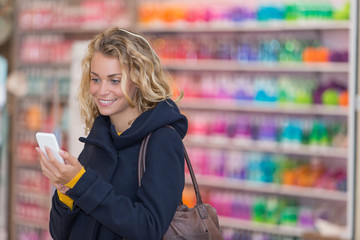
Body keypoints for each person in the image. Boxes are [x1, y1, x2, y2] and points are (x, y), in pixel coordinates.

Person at [36, 27, 188, 240]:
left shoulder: (162, 140)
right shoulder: (100, 137)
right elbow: (61, 233)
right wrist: (66, 191)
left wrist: (81, 183)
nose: (101, 90)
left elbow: (149, 228)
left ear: (138, 79)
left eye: (114, 80)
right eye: (95, 79)